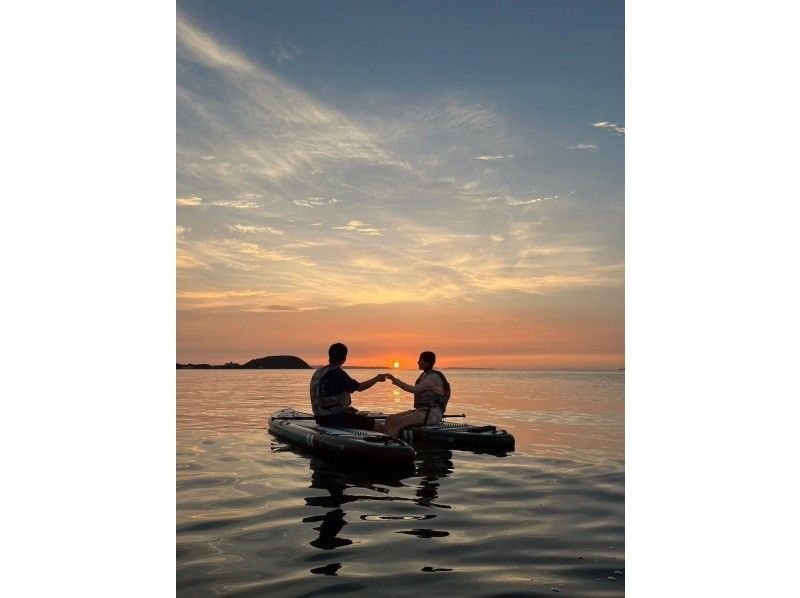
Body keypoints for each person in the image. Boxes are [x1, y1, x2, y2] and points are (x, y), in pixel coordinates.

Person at [310, 342, 385, 430]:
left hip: (319, 418)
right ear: (344, 358)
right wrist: (377, 379)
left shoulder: (319, 371)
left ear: (330, 356)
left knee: (352, 412)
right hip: (333, 419)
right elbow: (359, 387)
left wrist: (344, 409)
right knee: (378, 425)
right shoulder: (337, 373)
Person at [377, 351, 451, 437]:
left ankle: (388, 442)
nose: (418, 362)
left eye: (420, 360)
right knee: (390, 419)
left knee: (400, 422)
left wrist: (395, 380)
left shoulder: (433, 377)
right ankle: (385, 438)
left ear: (427, 362)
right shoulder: (425, 375)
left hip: (432, 414)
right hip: (421, 411)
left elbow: (415, 390)